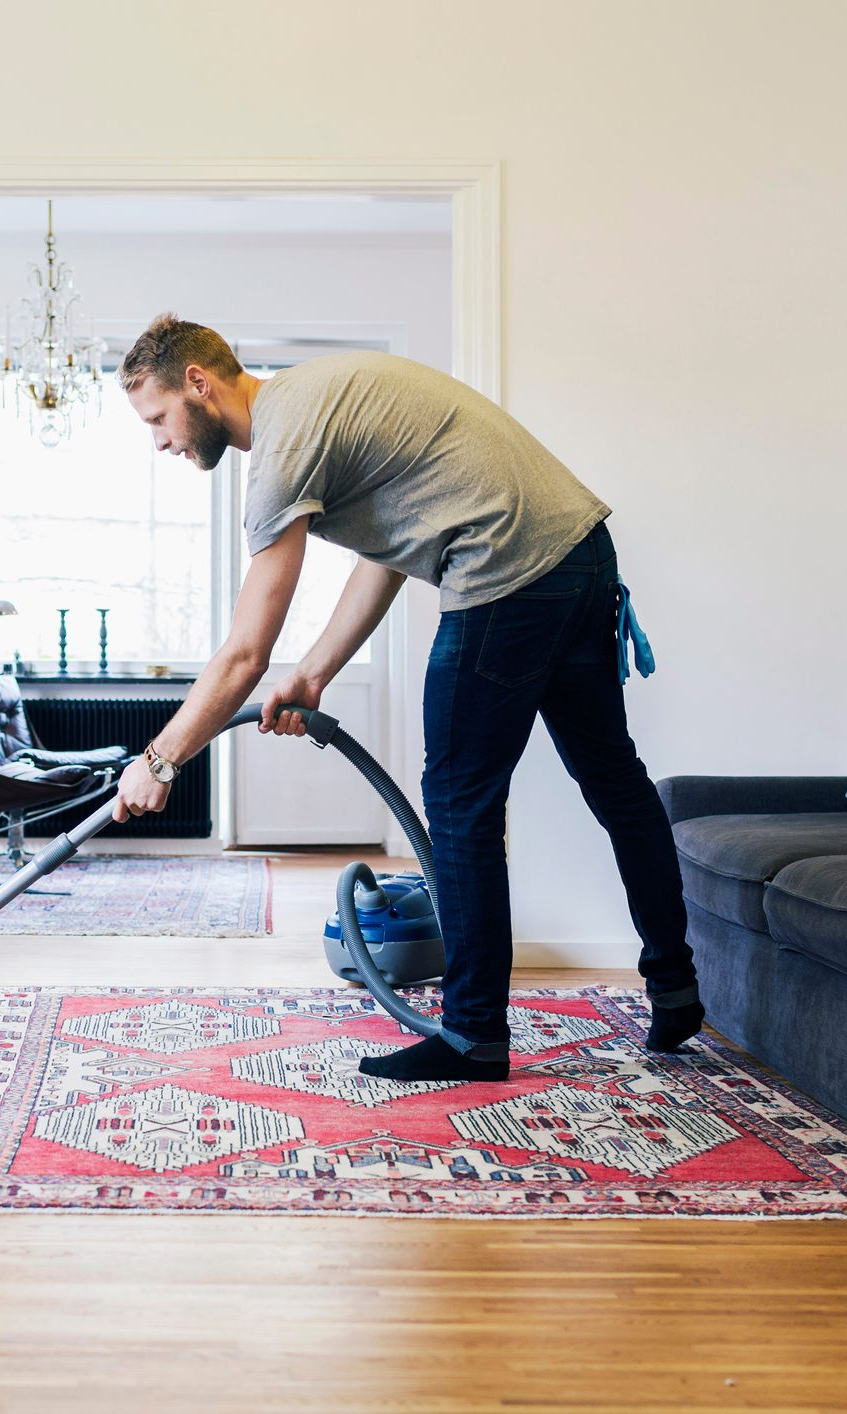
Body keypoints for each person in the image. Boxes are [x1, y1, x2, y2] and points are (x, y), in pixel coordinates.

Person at [109, 314, 703, 1082]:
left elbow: (244, 653)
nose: (159, 440)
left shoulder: (283, 447)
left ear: (198, 381)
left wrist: (158, 761)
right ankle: (675, 984)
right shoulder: (319, 400)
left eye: (157, 418)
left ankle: (472, 1036)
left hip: (505, 573)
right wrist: (317, 670)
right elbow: (386, 556)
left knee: (458, 801)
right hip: (578, 554)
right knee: (614, 780)